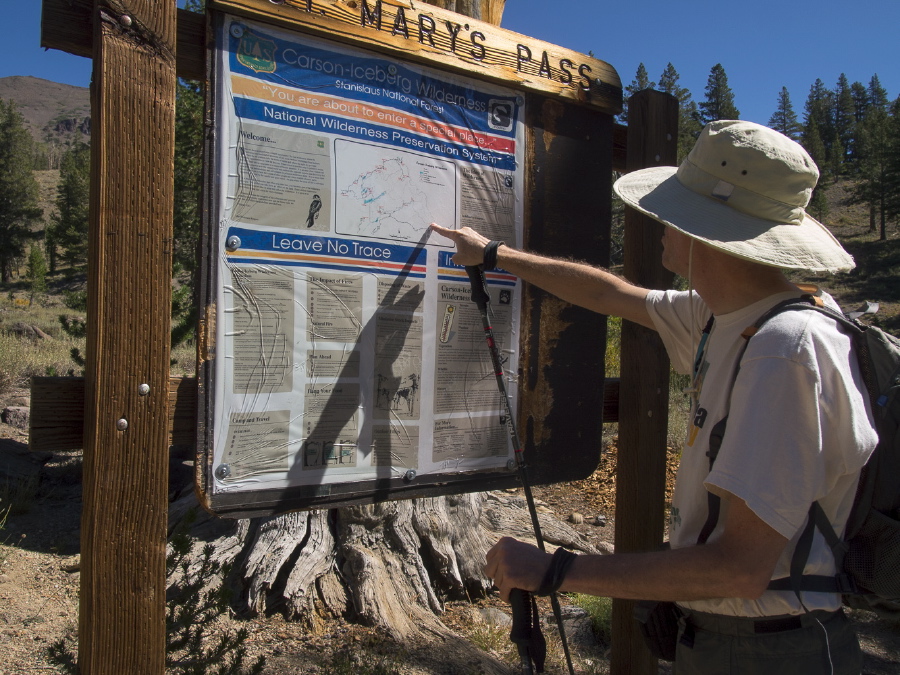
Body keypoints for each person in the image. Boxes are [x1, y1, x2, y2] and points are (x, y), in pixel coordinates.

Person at [430, 120, 878, 674]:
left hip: (766, 649)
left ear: (707, 232)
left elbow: (739, 569)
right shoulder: (724, 315)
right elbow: (611, 293)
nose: (661, 221)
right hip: (731, 638)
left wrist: (555, 570)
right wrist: (495, 254)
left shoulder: (784, 351)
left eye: (676, 210)